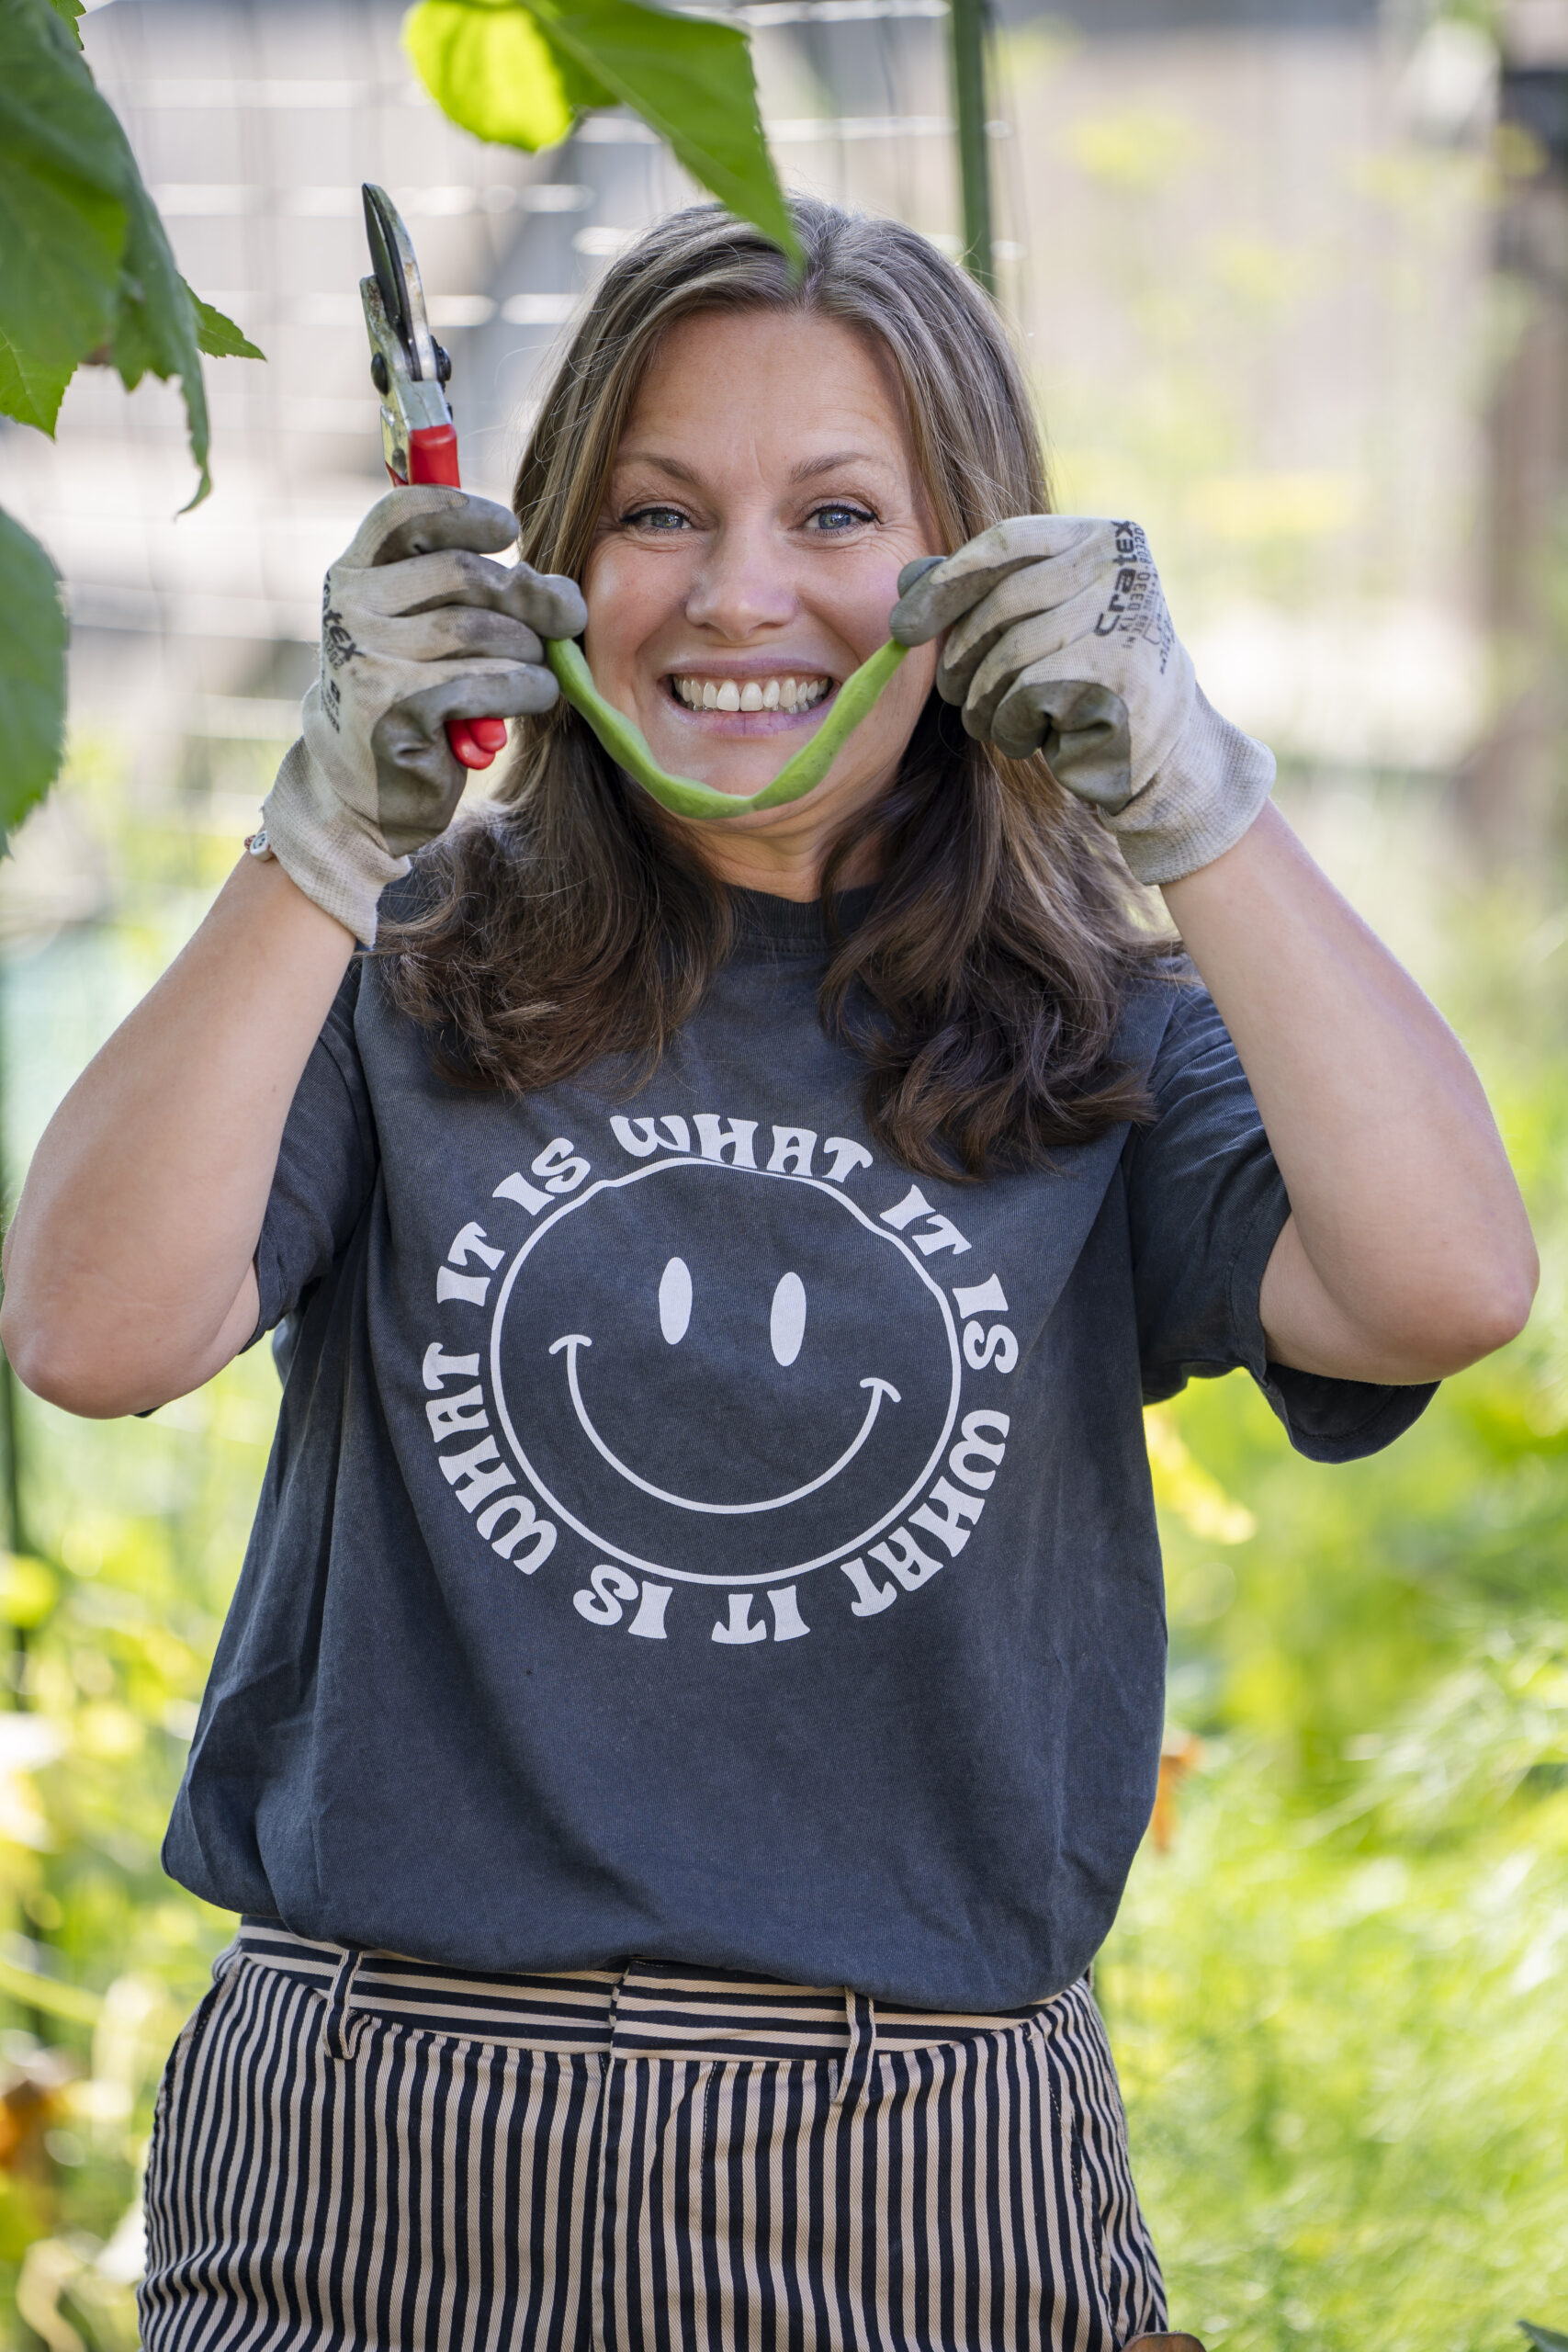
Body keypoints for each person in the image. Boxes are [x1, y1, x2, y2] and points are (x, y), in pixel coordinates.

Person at [1, 198, 1536, 2352]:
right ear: (543, 558)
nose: (738, 592)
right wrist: (324, 844)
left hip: (910, 2155)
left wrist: (1189, 797)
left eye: (837, 512)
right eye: (654, 512)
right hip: (376, 2143)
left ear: (971, 572)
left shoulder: (1099, 1030)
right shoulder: (401, 972)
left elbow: (1445, 1281)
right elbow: (87, 1328)